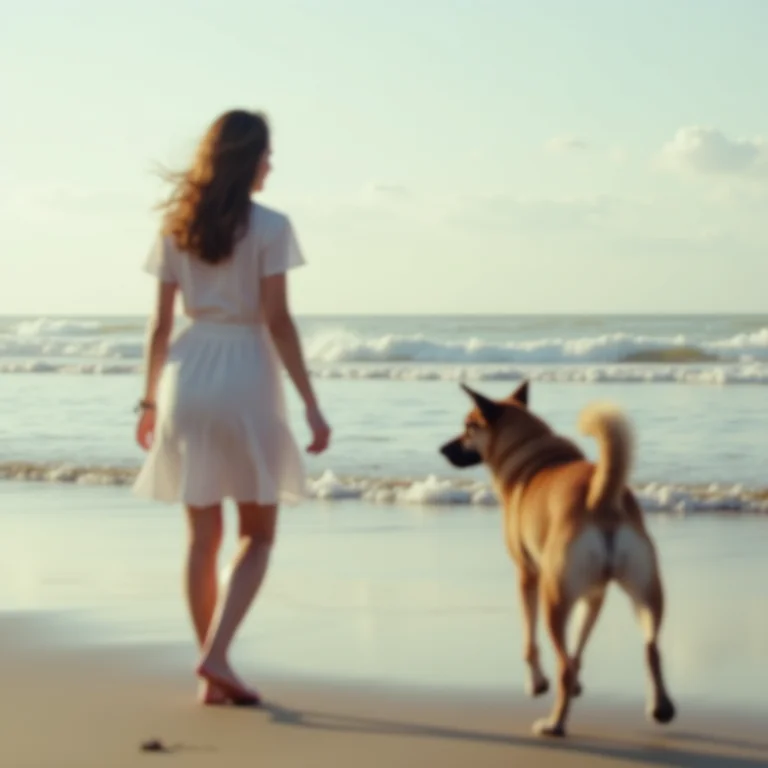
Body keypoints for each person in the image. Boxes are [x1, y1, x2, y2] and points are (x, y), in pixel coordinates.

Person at [132, 109, 331, 706]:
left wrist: (147, 401)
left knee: (202, 536)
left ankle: (209, 675)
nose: (271, 164)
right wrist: (312, 405)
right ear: (249, 160)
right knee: (259, 533)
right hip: (246, 372)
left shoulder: (176, 227)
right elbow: (278, 321)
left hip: (185, 378)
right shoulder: (271, 226)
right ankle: (217, 655)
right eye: (267, 154)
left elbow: (158, 325)